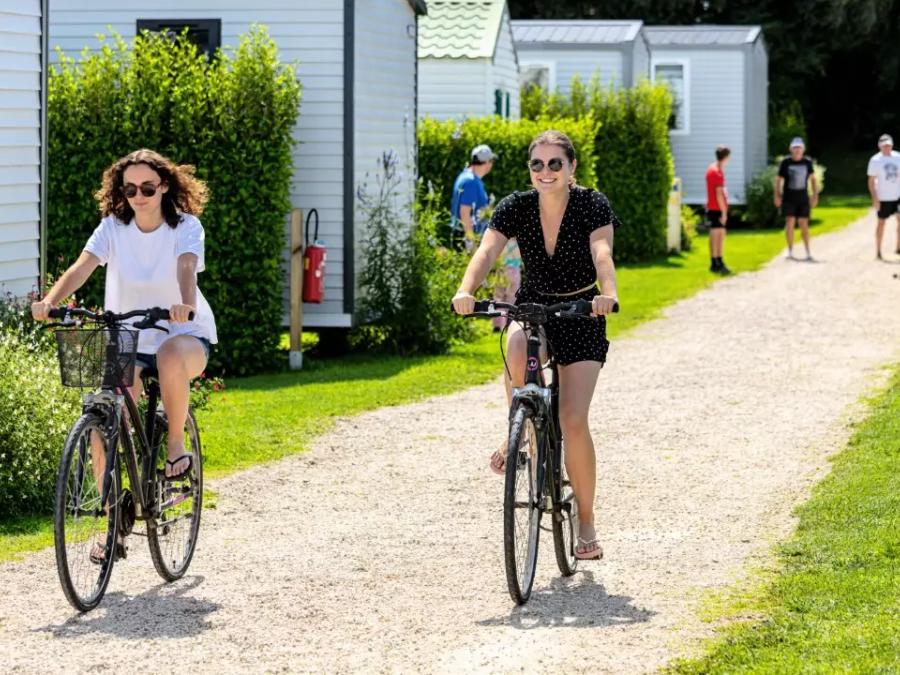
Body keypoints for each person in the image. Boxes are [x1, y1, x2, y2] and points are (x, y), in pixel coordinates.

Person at [451, 130, 619, 561]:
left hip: (581, 312)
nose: (546, 171)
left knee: (573, 419)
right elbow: (487, 251)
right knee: (514, 344)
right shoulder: (517, 206)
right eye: (537, 164)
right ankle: (521, 430)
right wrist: (466, 290)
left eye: (555, 163)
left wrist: (608, 293)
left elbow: (602, 251)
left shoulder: (592, 205)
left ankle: (585, 521)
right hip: (533, 308)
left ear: (571, 167)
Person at [33, 149, 217, 511]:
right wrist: (49, 300)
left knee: (169, 355)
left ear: (164, 186)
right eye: (130, 189)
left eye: (147, 188)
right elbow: (81, 267)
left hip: (181, 333)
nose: (138, 196)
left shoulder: (185, 226)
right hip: (127, 338)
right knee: (104, 416)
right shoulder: (112, 228)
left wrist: (184, 303)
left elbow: (186, 266)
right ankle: (113, 513)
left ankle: (175, 444)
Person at [775, 137, 819, 260]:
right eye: (795, 148)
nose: (797, 150)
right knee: (790, 222)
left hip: (803, 197)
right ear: (791, 149)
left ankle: (808, 251)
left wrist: (815, 195)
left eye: (799, 148)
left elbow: (813, 179)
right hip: (788, 197)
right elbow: (778, 180)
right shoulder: (786, 162)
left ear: (803, 150)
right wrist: (777, 195)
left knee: (803, 223)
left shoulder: (807, 162)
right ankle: (790, 250)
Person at [450, 144, 496, 250]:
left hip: (462, 234)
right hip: (466, 237)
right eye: (492, 161)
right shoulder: (471, 182)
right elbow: (465, 212)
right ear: (487, 162)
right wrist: (471, 241)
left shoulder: (465, 176)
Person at [866, 133, 900, 259]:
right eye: (884, 146)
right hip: (883, 197)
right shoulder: (875, 160)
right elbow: (871, 181)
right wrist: (875, 198)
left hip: (898, 196)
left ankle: (898, 247)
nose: (887, 148)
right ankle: (878, 251)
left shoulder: (898, 157)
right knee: (881, 222)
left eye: (889, 145)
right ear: (880, 146)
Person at [705, 146, 732, 274]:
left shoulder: (714, 168)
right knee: (716, 235)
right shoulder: (716, 172)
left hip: (715, 207)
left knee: (720, 234)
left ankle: (719, 260)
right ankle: (715, 262)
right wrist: (724, 212)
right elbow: (719, 193)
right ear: (725, 157)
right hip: (716, 208)